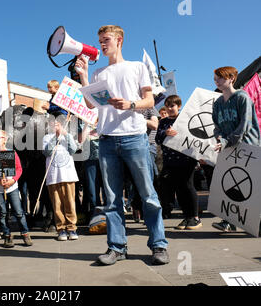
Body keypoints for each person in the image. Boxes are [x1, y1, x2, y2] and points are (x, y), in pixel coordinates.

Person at [75, 25, 169, 266]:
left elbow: (149, 100)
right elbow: (90, 106)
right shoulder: (97, 73)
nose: (101, 44)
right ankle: (117, 247)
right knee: (112, 199)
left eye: (105, 39)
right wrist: (84, 76)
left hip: (135, 137)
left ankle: (159, 245)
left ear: (119, 40)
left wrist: (130, 104)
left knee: (148, 194)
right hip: (107, 140)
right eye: (99, 40)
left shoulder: (137, 67)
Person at [211, 66, 261, 232]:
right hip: (228, 147)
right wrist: (219, 139)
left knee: (251, 185)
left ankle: (257, 222)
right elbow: (216, 125)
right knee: (230, 182)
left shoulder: (242, 97)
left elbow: (244, 125)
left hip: (248, 146)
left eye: (221, 78)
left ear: (231, 78)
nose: (217, 81)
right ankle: (229, 221)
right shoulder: (217, 103)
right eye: (216, 79)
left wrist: (227, 141)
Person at [155, 95, 202, 230]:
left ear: (179, 106)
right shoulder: (163, 122)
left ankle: (195, 217)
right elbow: (158, 139)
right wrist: (166, 133)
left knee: (188, 186)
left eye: (172, 106)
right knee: (178, 189)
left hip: (186, 159)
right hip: (170, 161)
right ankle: (187, 217)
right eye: (168, 106)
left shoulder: (184, 119)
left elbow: (194, 136)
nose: (170, 108)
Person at [0, 129, 33, 248]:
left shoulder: (12, 153)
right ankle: (7, 236)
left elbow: (19, 169)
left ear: (5, 140)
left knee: (18, 212)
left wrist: (12, 180)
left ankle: (25, 233)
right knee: (2, 213)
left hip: (12, 187)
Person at [43, 113, 79, 241]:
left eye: (58, 124)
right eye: (54, 123)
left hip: (68, 175)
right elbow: (46, 152)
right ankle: (61, 229)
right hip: (53, 176)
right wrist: (56, 137)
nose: (56, 126)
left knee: (70, 202)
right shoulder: (47, 137)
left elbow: (73, 150)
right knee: (57, 204)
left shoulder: (68, 136)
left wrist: (65, 135)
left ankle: (72, 227)